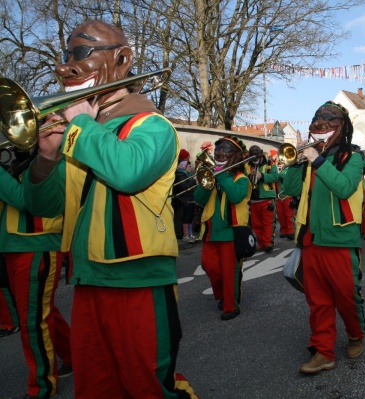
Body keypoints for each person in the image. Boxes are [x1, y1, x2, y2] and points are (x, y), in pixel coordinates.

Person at [23, 20, 198, 398]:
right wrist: (46, 158)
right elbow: (40, 207)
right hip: (88, 281)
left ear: (121, 59)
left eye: (80, 53)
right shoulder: (80, 134)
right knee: (95, 388)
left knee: (149, 387)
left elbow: (127, 172)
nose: (64, 66)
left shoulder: (151, 125)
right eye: (65, 54)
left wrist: (81, 123)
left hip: (140, 280)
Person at [283, 101, 365, 374]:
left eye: (330, 123)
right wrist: (296, 162)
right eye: (318, 122)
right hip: (311, 239)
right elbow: (290, 189)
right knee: (317, 301)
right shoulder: (309, 158)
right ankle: (323, 352)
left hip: (340, 240)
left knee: (346, 297)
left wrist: (318, 161)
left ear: (342, 129)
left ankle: (356, 334)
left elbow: (343, 188)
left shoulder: (353, 157)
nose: (322, 127)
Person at [1, 151, 72, 399]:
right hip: (17, 244)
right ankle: (74, 355)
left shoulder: (51, 159)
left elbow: (25, 200)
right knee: (41, 311)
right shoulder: (20, 160)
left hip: (36, 243)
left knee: (33, 320)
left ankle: (42, 385)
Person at [194, 135, 252, 321]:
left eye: (225, 149)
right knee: (209, 265)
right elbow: (199, 199)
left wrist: (223, 175)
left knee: (230, 272)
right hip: (210, 231)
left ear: (235, 156)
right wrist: (207, 181)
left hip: (232, 232)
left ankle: (231, 306)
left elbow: (236, 197)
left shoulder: (242, 178)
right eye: (218, 148)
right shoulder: (211, 174)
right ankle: (224, 295)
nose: (219, 152)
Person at [245, 145, 278, 252]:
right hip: (253, 199)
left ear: (261, 153)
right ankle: (262, 243)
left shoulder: (269, 163)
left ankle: (268, 243)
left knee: (268, 222)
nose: (255, 157)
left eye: (257, 154)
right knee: (256, 224)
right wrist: (248, 178)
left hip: (266, 198)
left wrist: (262, 176)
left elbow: (275, 177)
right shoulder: (246, 165)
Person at [275, 161, 295, 240]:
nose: (280, 164)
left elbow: (284, 176)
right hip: (279, 197)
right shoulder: (279, 171)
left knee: (289, 215)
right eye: (279, 163)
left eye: (282, 163)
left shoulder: (288, 170)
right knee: (281, 216)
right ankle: (284, 231)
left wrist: (278, 173)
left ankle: (291, 232)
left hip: (287, 196)